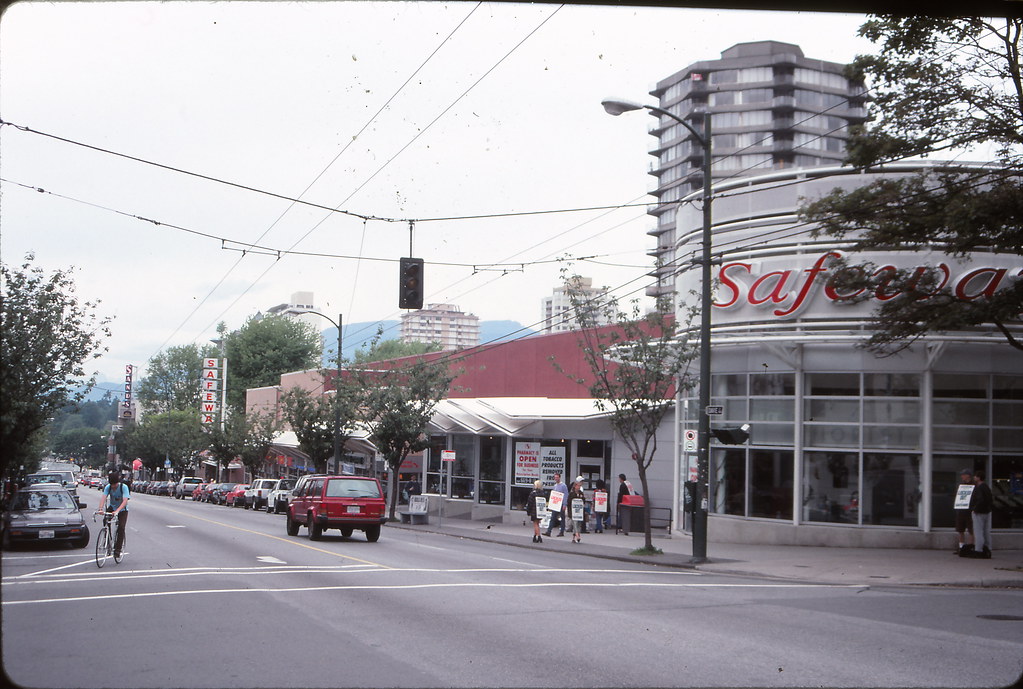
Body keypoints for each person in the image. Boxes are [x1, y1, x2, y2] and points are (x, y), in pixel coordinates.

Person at [97, 471, 130, 558]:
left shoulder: (124, 487)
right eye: (112, 484)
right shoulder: (108, 487)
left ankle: (118, 550)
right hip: (112, 506)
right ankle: (108, 541)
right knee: (105, 520)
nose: (113, 486)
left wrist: (118, 511)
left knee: (121, 527)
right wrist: (100, 509)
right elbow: (103, 497)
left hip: (122, 509)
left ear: (117, 482)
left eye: (115, 484)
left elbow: (125, 501)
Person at [970, 470, 993, 559]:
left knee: (978, 531)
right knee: (986, 531)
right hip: (987, 512)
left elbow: (980, 499)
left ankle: (978, 550)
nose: (974, 478)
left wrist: (975, 509)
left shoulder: (979, 488)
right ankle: (987, 548)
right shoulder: (986, 487)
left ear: (979, 478)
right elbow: (990, 499)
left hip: (979, 512)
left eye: (975, 476)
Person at [954, 469, 975, 556]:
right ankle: (961, 547)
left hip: (969, 510)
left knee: (971, 529)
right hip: (961, 509)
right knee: (960, 529)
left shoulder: (974, 485)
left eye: (963, 475)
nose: (962, 476)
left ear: (968, 475)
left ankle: (970, 547)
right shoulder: (961, 485)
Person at [544, 472, 568, 538]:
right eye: (555, 477)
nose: (556, 479)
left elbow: (566, 495)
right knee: (553, 517)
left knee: (562, 518)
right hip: (556, 504)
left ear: (559, 478)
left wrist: (564, 504)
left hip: (561, 504)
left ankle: (562, 531)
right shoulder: (555, 486)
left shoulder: (563, 486)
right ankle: (549, 531)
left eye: (557, 477)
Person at [569, 477, 586, 543]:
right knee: (575, 523)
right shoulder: (572, 494)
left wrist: (582, 498)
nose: (579, 487)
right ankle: (577, 535)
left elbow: (584, 501)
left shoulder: (581, 493)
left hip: (579, 512)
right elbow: (569, 502)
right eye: (578, 486)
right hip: (573, 512)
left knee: (578, 524)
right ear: (575, 486)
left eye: (579, 486)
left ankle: (573, 538)